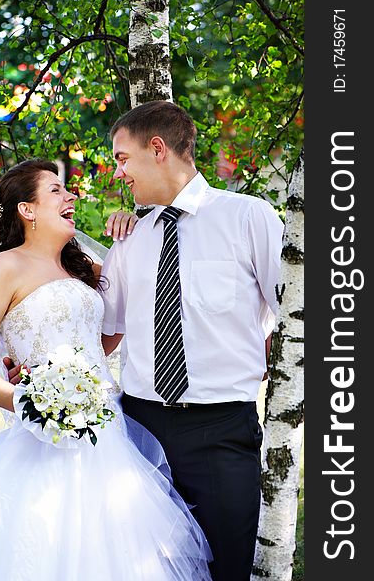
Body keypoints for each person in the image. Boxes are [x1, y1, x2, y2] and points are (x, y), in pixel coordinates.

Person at [0, 159, 212, 581]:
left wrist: (132, 229)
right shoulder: (6, 269)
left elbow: (113, 329)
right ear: (28, 210)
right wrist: (29, 401)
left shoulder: (84, 269)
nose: (70, 196)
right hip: (41, 440)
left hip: (107, 433)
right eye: (56, 190)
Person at [99, 101, 284, 581]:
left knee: (225, 567)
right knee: (144, 569)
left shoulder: (250, 218)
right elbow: (104, 332)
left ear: (157, 149)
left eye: (122, 158)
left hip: (221, 429)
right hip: (140, 432)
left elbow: (293, 312)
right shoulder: (130, 236)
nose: (118, 172)